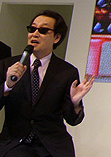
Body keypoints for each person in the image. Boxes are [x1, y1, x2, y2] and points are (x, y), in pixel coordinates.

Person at [0, 10, 94, 157]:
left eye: (43, 30)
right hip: (15, 143)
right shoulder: (8, 65)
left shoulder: (67, 72)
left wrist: (75, 103)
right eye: (32, 29)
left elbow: (73, 120)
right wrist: (8, 85)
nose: (35, 34)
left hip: (52, 146)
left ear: (56, 38)